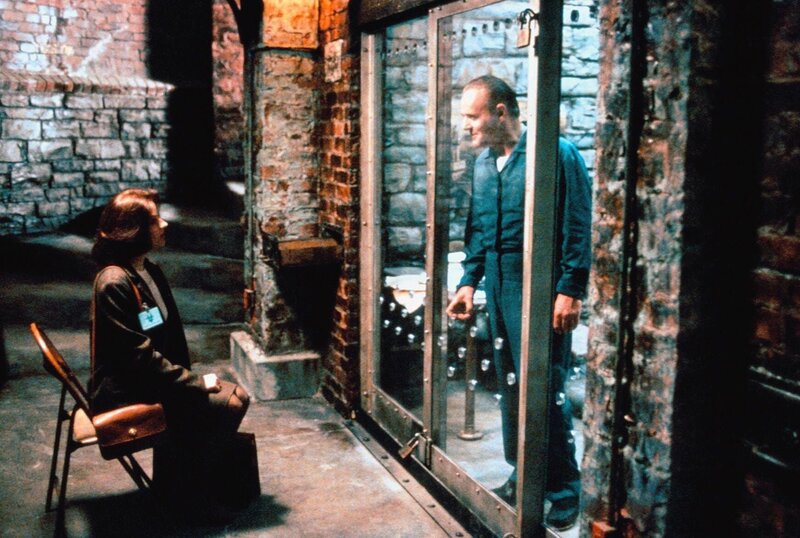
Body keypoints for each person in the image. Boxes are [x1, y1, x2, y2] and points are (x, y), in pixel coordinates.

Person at [446, 76, 591, 530]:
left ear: (501, 112)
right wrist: (468, 282)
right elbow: (478, 230)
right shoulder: (484, 164)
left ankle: (565, 488)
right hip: (499, 283)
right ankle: (524, 473)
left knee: (545, 387)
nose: (466, 126)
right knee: (510, 385)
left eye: (472, 117)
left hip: (541, 288)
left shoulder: (557, 154)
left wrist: (571, 290)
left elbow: (578, 226)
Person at [89, 188, 251, 515]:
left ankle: (183, 483)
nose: (164, 224)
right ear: (132, 231)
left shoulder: (148, 271)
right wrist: (194, 383)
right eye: (154, 220)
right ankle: (191, 494)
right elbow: (137, 358)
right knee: (232, 402)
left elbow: (167, 338)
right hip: (126, 390)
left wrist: (188, 383)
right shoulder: (114, 282)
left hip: (150, 379)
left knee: (234, 398)